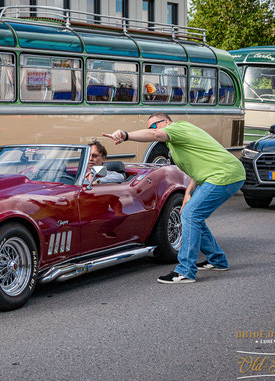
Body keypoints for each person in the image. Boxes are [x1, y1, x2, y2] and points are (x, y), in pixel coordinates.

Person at [102, 113, 246, 284]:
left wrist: (125, 135)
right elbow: (196, 169)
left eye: (155, 126)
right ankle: (218, 260)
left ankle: (186, 271)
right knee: (191, 215)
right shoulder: (176, 143)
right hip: (216, 175)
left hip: (224, 175)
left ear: (167, 122)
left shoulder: (178, 128)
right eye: (150, 127)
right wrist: (188, 194)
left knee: (191, 216)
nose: (152, 131)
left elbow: (154, 135)